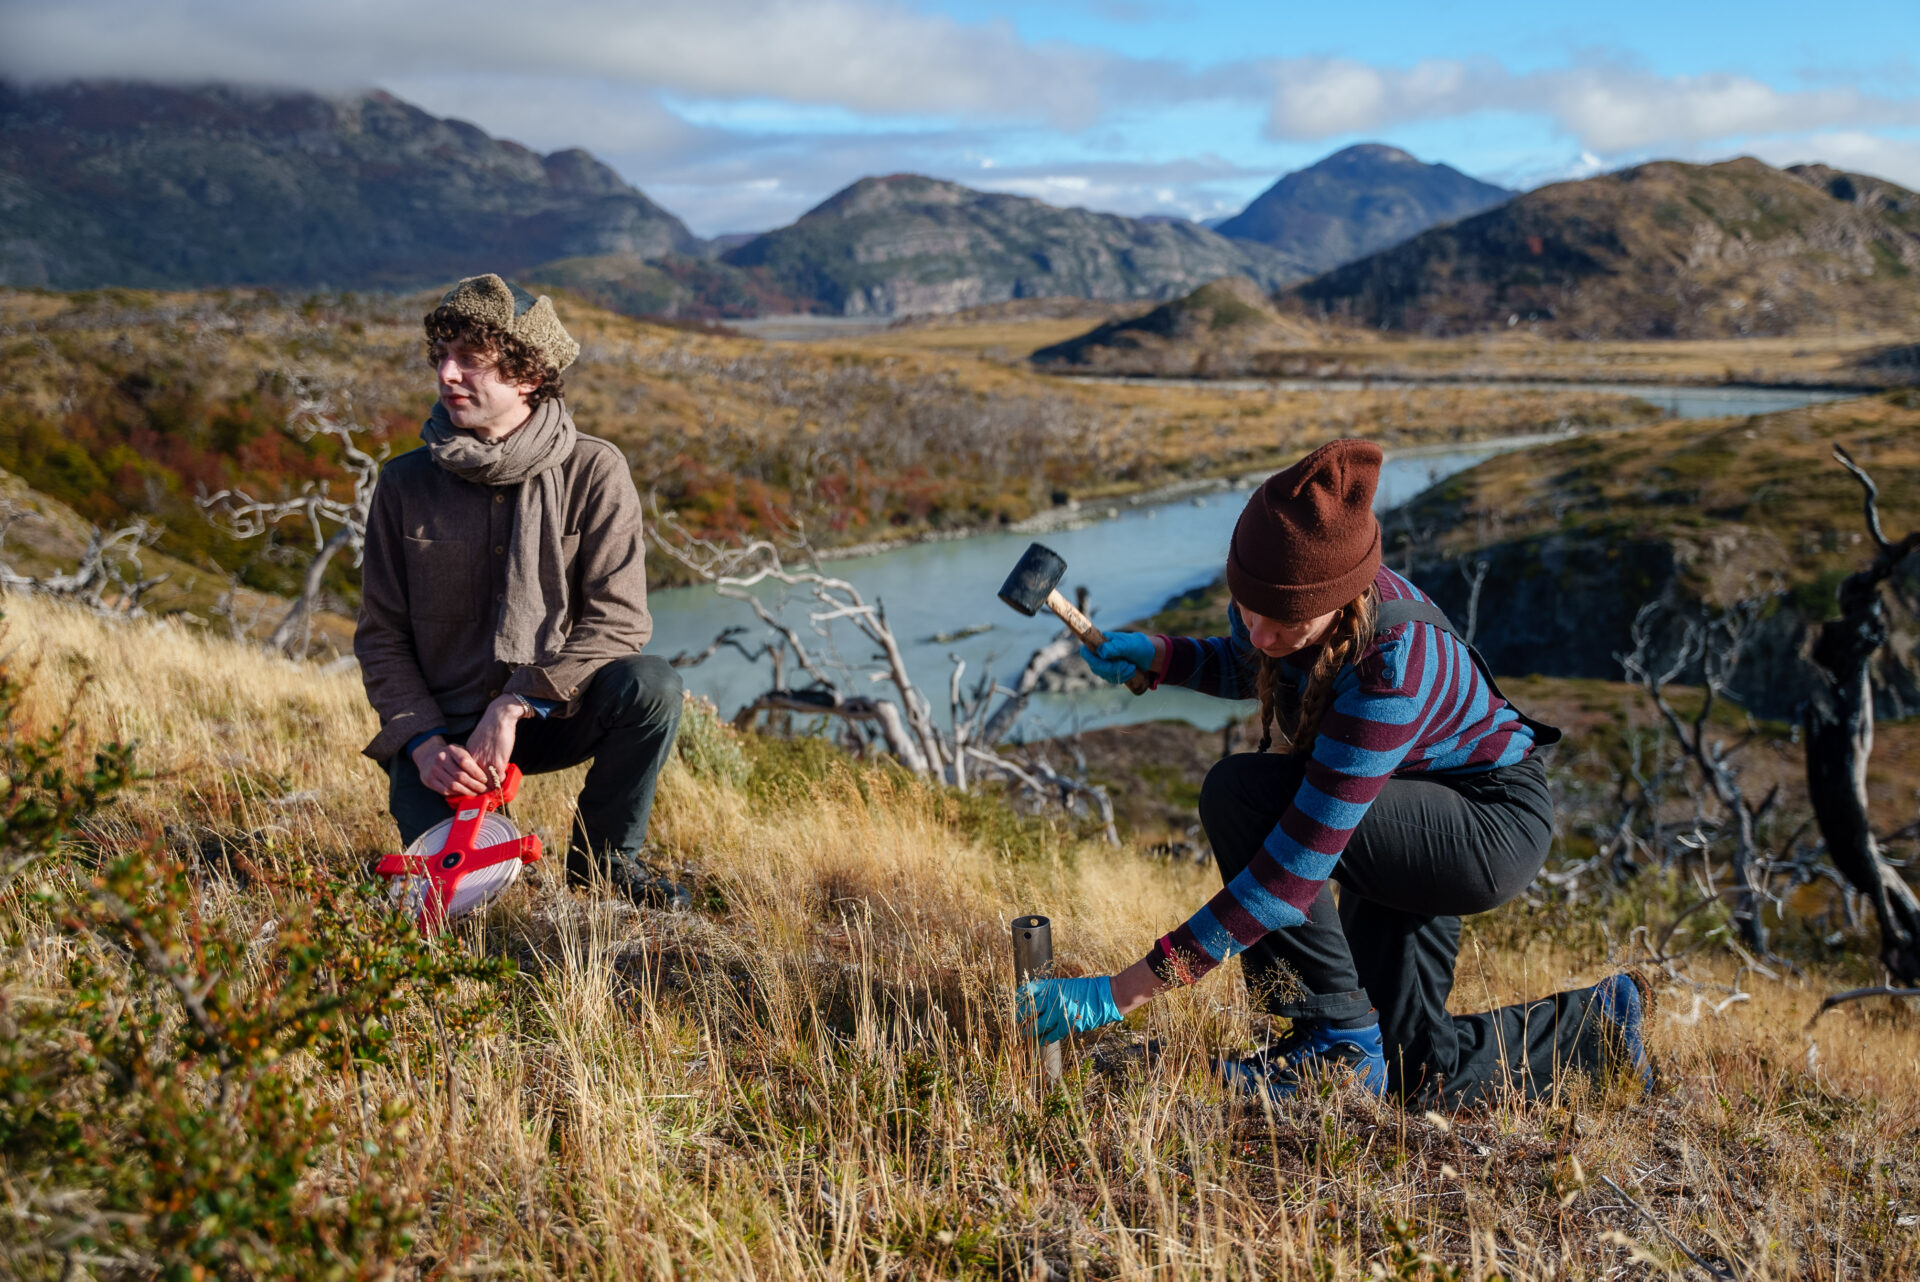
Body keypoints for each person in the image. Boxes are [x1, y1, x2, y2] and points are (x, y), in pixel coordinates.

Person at [1018, 439, 1651, 1107]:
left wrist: (1119, 994)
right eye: (1247, 607)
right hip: (1405, 799)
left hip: (1484, 826)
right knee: (1413, 1072)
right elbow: (1258, 661)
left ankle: (1332, 1044)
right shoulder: (1279, 603)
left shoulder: (1393, 672)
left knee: (1247, 795)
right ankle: (1600, 1025)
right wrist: (1160, 654)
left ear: (1339, 597)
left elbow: (1287, 878)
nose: (1258, 631)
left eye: (1281, 619)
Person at [356, 273, 687, 907]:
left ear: (530, 375)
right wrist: (423, 743)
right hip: (445, 735)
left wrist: (514, 704)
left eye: (470, 362)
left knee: (651, 686)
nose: (447, 375)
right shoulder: (404, 484)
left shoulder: (594, 469)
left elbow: (619, 623)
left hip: (548, 710)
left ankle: (606, 864)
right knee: (450, 904)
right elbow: (382, 637)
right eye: (442, 358)